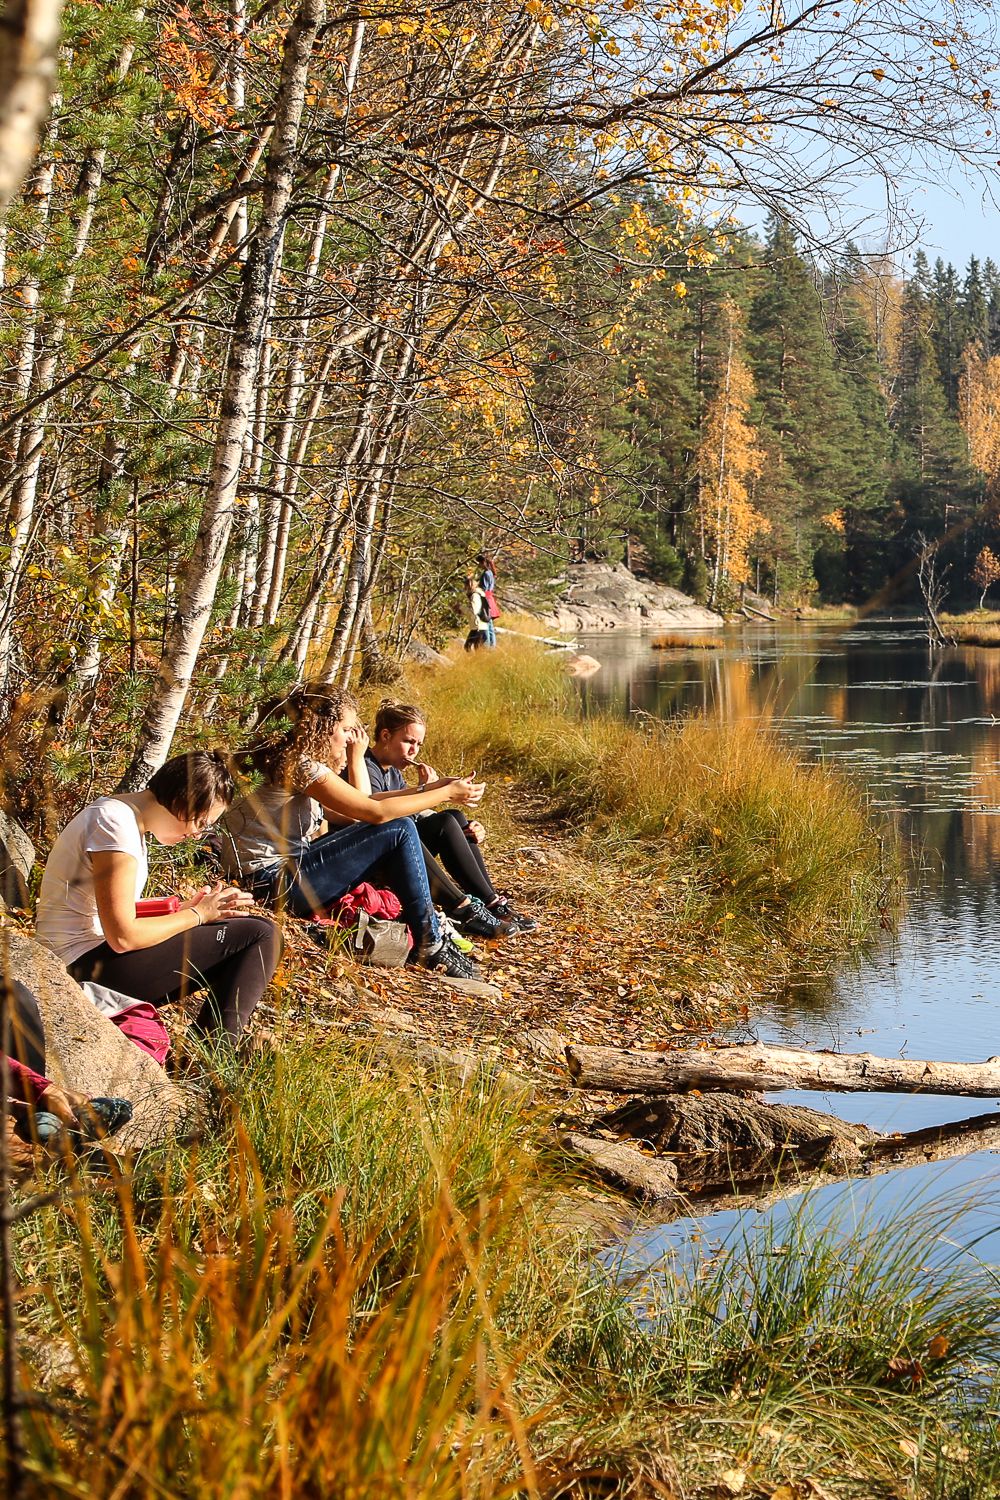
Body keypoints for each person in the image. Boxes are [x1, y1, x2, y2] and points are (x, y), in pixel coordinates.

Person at [221, 683, 484, 979]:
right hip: (271, 884)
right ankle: (430, 939)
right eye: (346, 729)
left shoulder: (286, 757)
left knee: (396, 829)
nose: (350, 739)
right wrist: (446, 793)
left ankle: (431, 929)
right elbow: (374, 812)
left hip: (269, 877)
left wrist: (433, 787)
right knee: (399, 829)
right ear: (322, 727)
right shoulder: (300, 765)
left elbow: (360, 806)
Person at [36, 751, 281, 1043]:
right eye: (201, 823)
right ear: (182, 801)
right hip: (77, 966)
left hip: (87, 956)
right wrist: (198, 915)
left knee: (253, 933)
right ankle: (215, 1056)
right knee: (261, 934)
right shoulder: (115, 825)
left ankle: (210, 1051)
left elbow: (106, 912)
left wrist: (183, 913)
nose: (196, 835)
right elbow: (123, 936)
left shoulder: (120, 819)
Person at [355, 700, 537, 934]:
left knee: (455, 818)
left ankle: (490, 902)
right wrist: (429, 791)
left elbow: (411, 812)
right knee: (444, 823)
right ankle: (474, 907)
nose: (414, 751)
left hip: (398, 844)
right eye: (408, 742)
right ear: (386, 735)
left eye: (418, 744)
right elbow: (376, 806)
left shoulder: (393, 772)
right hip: (378, 856)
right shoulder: (366, 766)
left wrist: (464, 832)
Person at [476, 552, 498, 648]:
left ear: (483, 562)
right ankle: (492, 646)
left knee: (486, 625)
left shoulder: (486, 574)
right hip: (490, 600)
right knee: (490, 626)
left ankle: (488, 647)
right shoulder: (491, 573)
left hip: (486, 601)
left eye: (480, 563)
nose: (479, 565)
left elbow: (484, 589)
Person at [464, 576, 489, 651]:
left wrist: (461, 608)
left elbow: (474, 611)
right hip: (480, 625)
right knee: (477, 647)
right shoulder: (479, 594)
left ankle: (473, 662)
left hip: (478, 626)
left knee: (468, 646)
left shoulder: (475, 596)